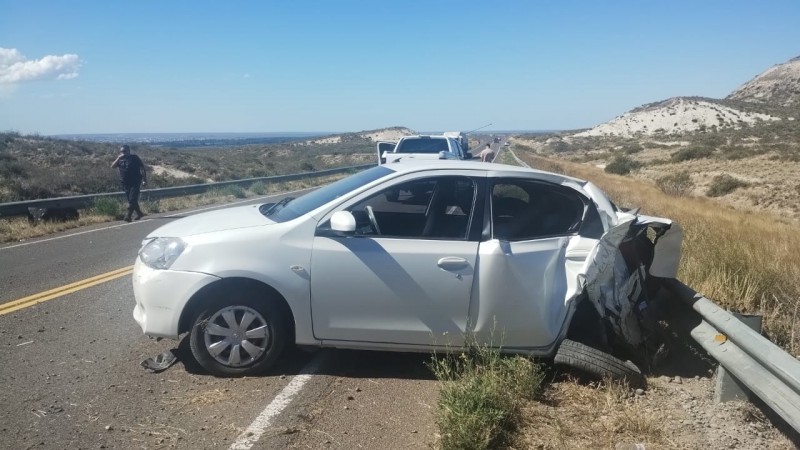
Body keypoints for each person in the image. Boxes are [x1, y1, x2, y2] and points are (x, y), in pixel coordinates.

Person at [111, 145, 147, 222]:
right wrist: (118, 158)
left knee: (132, 199)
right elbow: (112, 166)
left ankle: (128, 216)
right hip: (125, 183)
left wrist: (144, 179)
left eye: (125, 151)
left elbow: (142, 168)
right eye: (122, 151)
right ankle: (139, 213)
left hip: (135, 181)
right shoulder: (120, 159)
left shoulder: (134, 158)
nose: (123, 153)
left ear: (129, 151)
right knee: (131, 200)